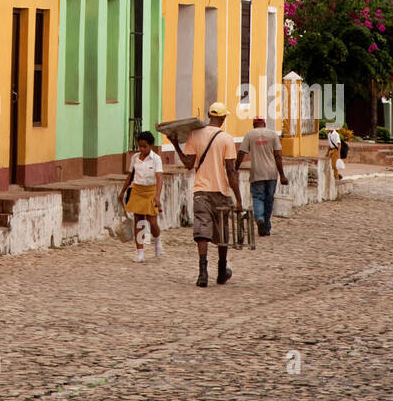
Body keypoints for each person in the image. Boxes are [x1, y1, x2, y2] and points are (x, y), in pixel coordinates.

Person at [171, 102, 241, 287]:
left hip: (201, 190)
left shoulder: (195, 135)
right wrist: (239, 199)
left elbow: (187, 163)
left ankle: (202, 272)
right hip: (221, 192)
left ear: (210, 115)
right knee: (222, 233)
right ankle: (221, 271)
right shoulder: (226, 139)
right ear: (223, 117)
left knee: (202, 230)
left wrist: (175, 145)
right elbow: (231, 172)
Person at [235, 115, 288, 236]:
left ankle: (260, 219)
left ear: (254, 125)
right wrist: (282, 175)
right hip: (272, 173)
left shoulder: (249, 135)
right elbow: (278, 156)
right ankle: (266, 226)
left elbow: (241, 153)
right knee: (269, 200)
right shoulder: (273, 134)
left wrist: (235, 169)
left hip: (257, 172)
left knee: (258, 197)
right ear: (264, 124)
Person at [118, 130, 164, 263]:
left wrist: (157, 196)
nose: (142, 149)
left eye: (145, 146)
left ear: (151, 146)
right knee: (138, 221)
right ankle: (140, 252)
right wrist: (122, 192)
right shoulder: (135, 158)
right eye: (140, 146)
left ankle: (157, 241)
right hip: (137, 190)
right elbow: (130, 176)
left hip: (150, 191)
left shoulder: (156, 159)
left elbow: (159, 178)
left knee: (152, 221)